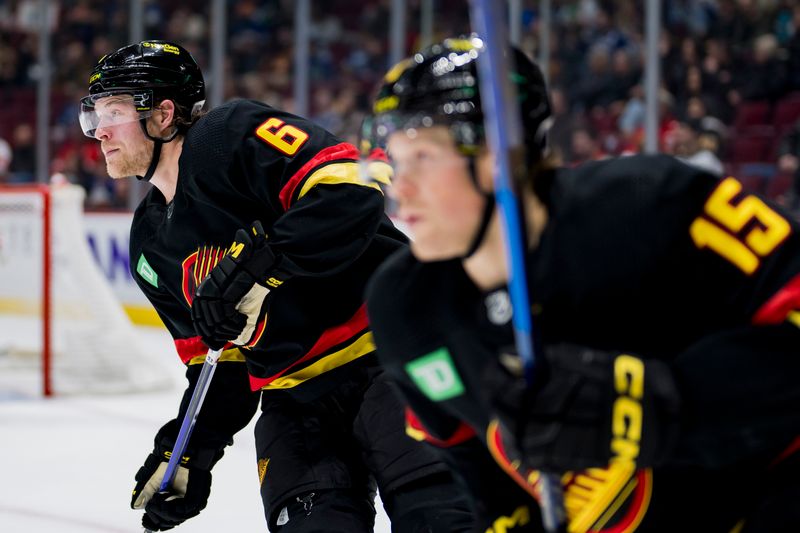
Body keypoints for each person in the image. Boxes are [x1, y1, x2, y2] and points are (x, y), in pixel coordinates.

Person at [363, 36, 800, 532]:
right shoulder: (404, 311)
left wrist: (652, 406)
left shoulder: (653, 204)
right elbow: (474, 466)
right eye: (396, 161)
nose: (400, 187)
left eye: (422, 157)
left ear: (502, 157)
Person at [79, 40, 474, 532]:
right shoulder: (149, 245)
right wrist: (187, 453)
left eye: (113, 111)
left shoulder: (229, 135)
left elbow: (352, 189)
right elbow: (219, 362)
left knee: (442, 520)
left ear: (163, 114)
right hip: (296, 403)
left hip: (395, 360)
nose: (100, 132)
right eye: (94, 115)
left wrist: (259, 268)